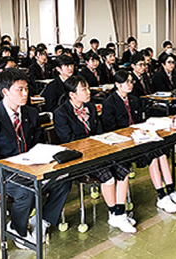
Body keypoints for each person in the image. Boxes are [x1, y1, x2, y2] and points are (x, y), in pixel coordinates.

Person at [0, 68, 72, 248]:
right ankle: (18, 229)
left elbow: (39, 145)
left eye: (26, 88)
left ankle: (41, 220)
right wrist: (18, 167)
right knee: (26, 191)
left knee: (63, 180)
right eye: (20, 89)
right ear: (5, 92)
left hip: (31, 169)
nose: (25, 93)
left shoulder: (30, 114)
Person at [53, 76, 136, 233]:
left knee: (123, 170)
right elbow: (68, 141)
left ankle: (119, 213)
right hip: (79, 158)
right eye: (83, 89)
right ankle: (115, 214)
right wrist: (92, 143)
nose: (88, 92)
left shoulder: (90, 108)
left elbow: (98, 131)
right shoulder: (61, 113)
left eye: (88, 88)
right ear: (72, 94)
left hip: (98, 152)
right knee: (108, 177)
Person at [102, 70, 176, 213]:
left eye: (131, 81)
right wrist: (132, 132)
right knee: (153, 155)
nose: (130, 85)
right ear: (117, 84)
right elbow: (111, 129)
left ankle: (171, 190)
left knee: (161, 152)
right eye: (126, 82)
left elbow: (140, 122)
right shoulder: (109, 103)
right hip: (123, 144)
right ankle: (161, 196)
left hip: (139, 139)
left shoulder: (134, 100)